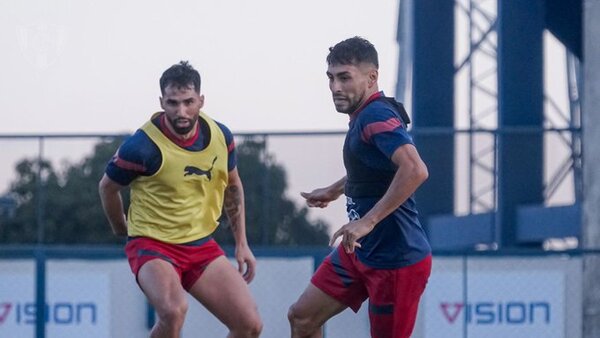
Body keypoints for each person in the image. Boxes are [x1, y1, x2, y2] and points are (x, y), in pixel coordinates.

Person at [98, 61, 262, 338]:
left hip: (200, 245)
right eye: (173, 103)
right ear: (161, 102)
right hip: (152, 244)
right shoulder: (142, 146)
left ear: (201, 100)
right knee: (173, 311)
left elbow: (232, 186)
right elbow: (107, 187)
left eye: (188, 102)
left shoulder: (221, 136)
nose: (181, 111)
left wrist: (242, 243)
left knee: (249, 326)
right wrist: (120, 227)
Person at [288, 37, 432, 338]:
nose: (335, 87)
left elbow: (415, 169)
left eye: (344, 77)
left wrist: (367, 221)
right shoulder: (364, 116)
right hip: (359, 251)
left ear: (371, 78)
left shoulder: (375, 116)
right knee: (302, 318)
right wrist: (335, 189)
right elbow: (374, 169)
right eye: (331, 77)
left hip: (395, 260)